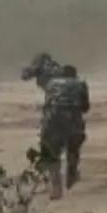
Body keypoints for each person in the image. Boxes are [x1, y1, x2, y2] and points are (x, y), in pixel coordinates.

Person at [40, 64, 90, 198]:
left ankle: (56, 186)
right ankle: (71, 177)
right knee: (73, 148)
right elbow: (85, 107)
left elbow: (47, 104)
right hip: (72, 120)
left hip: (52, 121)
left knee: (52, 152)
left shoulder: (51, 84)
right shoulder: (80, 84)